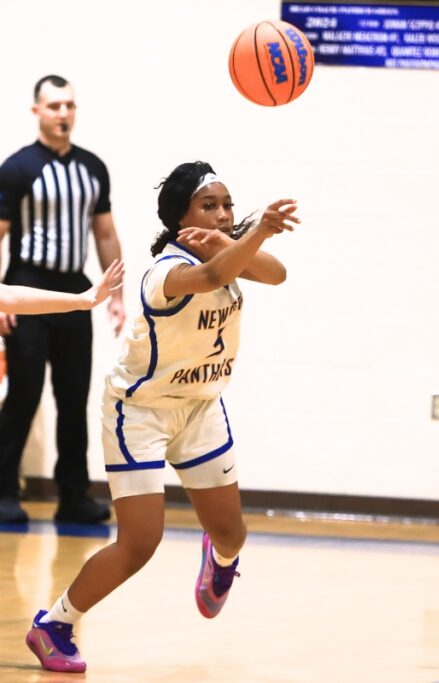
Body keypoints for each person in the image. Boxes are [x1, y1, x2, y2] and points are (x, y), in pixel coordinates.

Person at [25, 162, 299, 673]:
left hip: (199, 407)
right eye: (209, 206)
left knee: (232, 534)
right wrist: (255, 232)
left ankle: (219, 560)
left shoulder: (228, 254)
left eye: (227, 204)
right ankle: (54, 624)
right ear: (180, 217)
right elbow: (213, 277)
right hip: (140, 412)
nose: (223, 214)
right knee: (140, 543)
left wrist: (234, 241)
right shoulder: (164, 272)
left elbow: (277, 274)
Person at [0, 74, 125, 524]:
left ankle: (73, 495)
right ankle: (3, 492)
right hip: (26, 286)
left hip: (76, 289)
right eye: (54, 106)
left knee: (74, 397)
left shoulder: (93, 168)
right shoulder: (17, 168)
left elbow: (105, 233)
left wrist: (116, 296)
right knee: (25, 393)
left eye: (69, 105)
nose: (63, 113)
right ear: (37, 111)